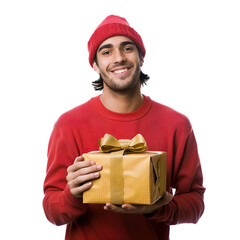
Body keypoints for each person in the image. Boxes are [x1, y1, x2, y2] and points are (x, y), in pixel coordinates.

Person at [43, 15, 205, 240]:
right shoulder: (69, 124)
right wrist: (72, 195)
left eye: (127, 48)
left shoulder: (176, 124)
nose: (118, 58)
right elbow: (52, 211)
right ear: (95, 65)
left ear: (141, 57)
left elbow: (195, 204)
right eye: (106, 51)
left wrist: (156, 208)